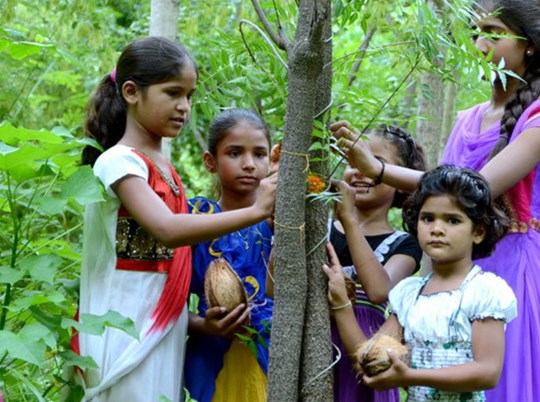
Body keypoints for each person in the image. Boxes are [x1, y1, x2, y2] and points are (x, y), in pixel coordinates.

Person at [329, 1, 540, 400]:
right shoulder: (467, 120)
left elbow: (469, 189)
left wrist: (376, 169)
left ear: (529, 45)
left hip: (515, 271)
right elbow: (440, 198)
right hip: (450, 269)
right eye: (476, 33)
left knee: (504, 380)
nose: (479, 44)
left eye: (493, 34)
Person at [74, 37, 276, 402]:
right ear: (132, 92)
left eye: (189, 96)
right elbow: (167, 230)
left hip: (165, 325)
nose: (184, 107)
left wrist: (199, 322)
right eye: (173, 93)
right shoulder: (119, 161)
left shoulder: (164, 167)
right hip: (123, 320)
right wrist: (257, 211)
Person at [324, 165, 517, 402]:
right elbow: (371, 360)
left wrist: (412, 376)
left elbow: (487, 372)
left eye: (453, 220)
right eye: (428, 218)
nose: (437, 229)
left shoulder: (484, 291)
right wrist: (342, 305)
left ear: (478, 231)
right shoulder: (409, 295)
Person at [329, 125, 426, 402]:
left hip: (367, 355)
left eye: (374, 163)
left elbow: (378, 290)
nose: (359, 170)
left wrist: (349, 220)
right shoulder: (321, 229)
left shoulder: (405, 243)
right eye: (353, 161)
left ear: (399, 180)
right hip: (315, 345)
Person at [183, 109, 275, 402]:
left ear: (272, 160)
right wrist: (203, 325)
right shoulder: (193, 217)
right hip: (211, 357)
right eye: (234, 153)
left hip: (275, 356)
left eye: (260, 154)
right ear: (210, 161)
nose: (249, 164)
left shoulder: (286, 220)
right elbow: (164, 301)